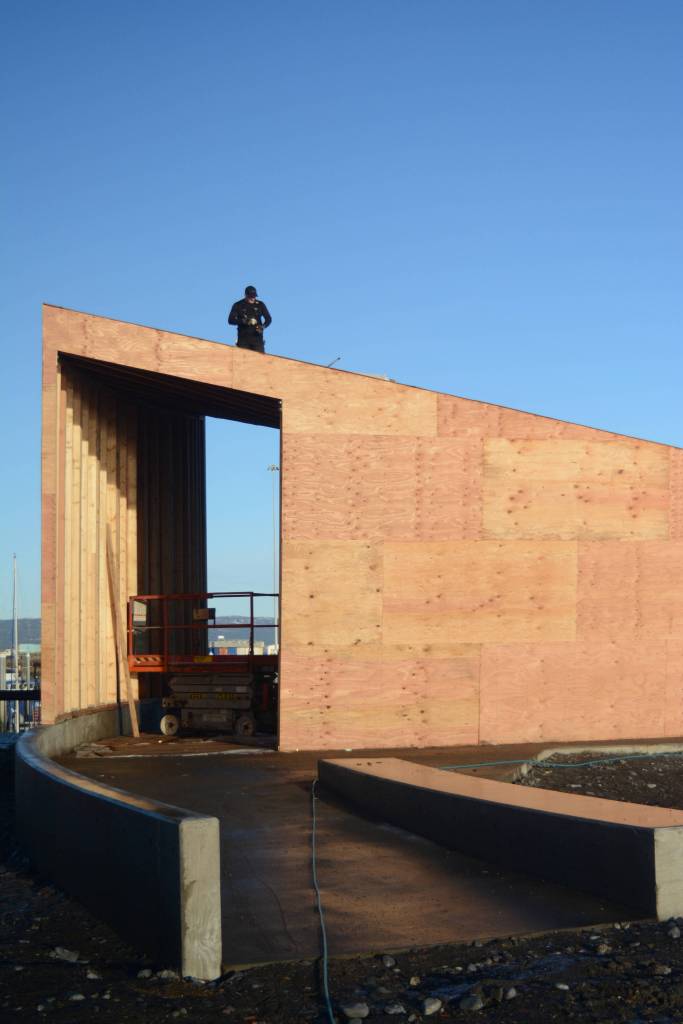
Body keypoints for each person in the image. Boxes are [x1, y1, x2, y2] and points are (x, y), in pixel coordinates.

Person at [228, 285, 272, 352]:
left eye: (254, 296)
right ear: (245, 295)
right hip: (243, 338)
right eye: (250, 297)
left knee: (260, 359)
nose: (252, 298)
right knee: (243, 358)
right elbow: (230, 320)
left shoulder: (260, 304)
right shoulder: (238, 305)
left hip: (257, 338)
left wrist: (263, 326)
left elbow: (268, 318)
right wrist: (244, 321)